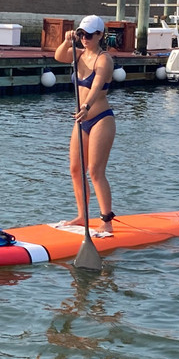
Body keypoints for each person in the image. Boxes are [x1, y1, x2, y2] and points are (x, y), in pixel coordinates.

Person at [54, 15, 116, 234]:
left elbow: (97, 86)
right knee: (75, 170)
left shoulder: (104, 59)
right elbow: (59, 56)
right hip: (82, 120)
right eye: (81, 34)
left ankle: (106, 220)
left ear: (100, 35)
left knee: (95, 171)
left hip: (100, 118)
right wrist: (65, 39)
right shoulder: (78, 54)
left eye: (89, 35)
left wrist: (86, 106)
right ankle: (82, 216)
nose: (84, 38)